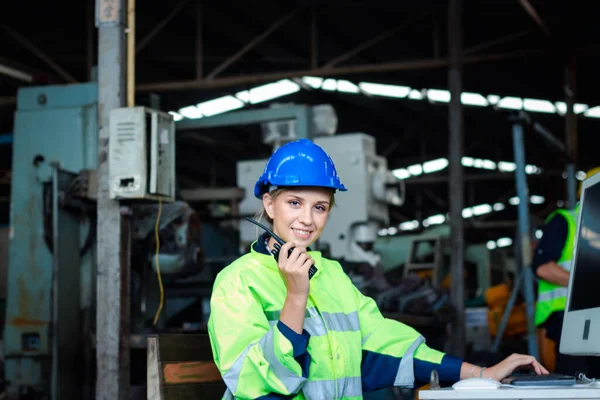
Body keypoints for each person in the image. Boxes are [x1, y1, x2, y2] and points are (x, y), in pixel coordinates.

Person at [208, 139, 547, 399]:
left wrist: (481, 374)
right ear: (269, 204)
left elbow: (387, 346)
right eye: (294, 203)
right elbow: (256, 382)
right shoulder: (237, 282)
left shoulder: (331, 275)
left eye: (320, 207)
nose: (307, 219)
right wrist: (296, 297)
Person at [533, 167, 600, 376]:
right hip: (567, 317)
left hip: (592, 315)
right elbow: (543, 268)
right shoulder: (565, 221)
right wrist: (584, 283)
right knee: (576, 379)